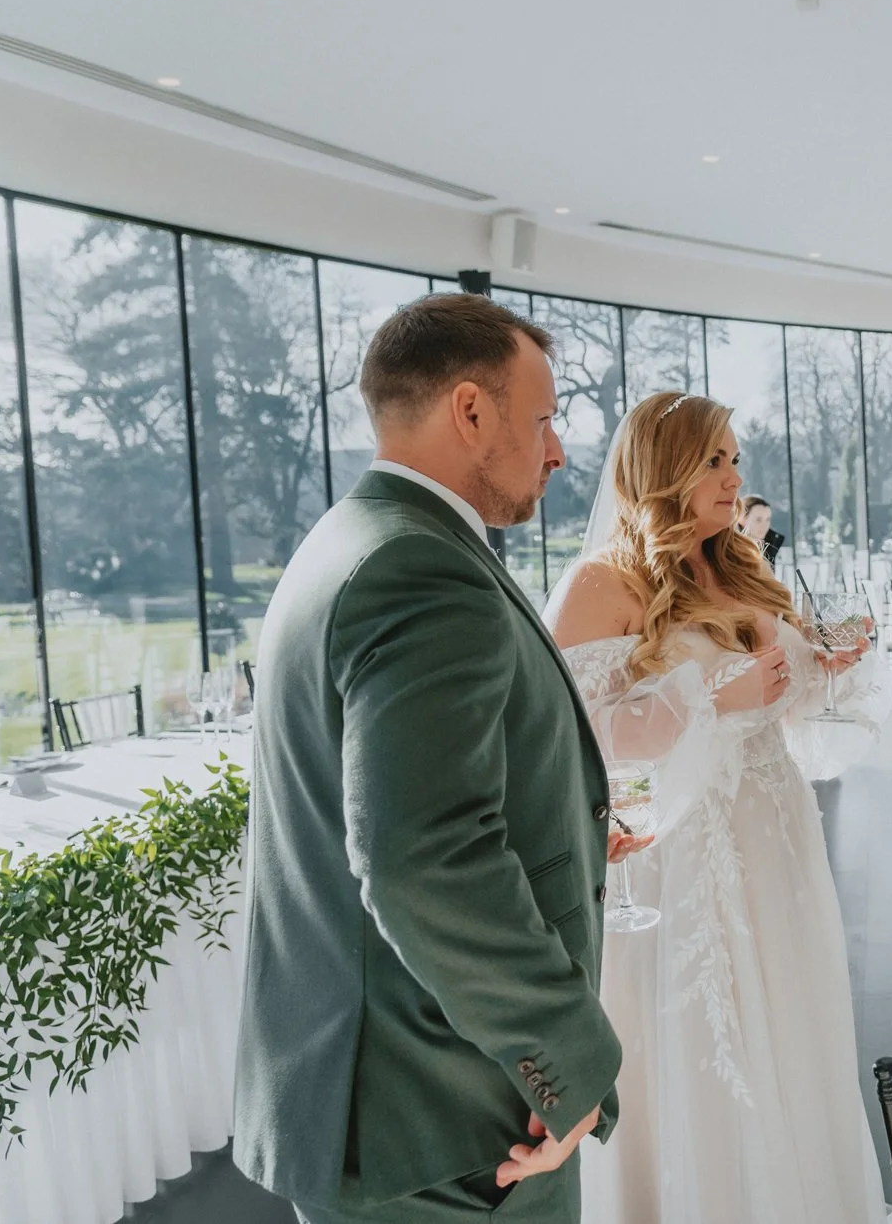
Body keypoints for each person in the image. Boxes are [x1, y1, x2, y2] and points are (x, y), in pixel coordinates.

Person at [234, 293, 646, 1224]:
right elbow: (422, 856)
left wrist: (569, 828)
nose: (557, 450)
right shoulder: (418, 568)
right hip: (445, 1125)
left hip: (372, 1103)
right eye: (542, 419)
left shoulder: (348, 541)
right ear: (470, 410)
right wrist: (568, 1063)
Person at [544, 391, 888, 1224]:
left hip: (778, 842)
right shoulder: (603, 583)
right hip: (687, 852)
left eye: (735, 458)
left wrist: (822, 667)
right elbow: (570, 732)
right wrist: (707, 696)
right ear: (665, 471)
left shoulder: (736, 565)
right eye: (714, 460)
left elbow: (776, 702)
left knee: (789, 1030)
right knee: (706, 1044)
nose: (735, 478)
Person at [738, 493, 785, 565]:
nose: (764, 525)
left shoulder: (771, 544)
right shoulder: (729, 549)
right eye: (758, 520)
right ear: (742, 519)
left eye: (768, 519)